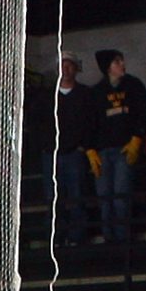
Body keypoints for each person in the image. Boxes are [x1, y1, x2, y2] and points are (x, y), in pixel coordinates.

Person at [89, 49, 146, 245]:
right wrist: (91, 150)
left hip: (124, 149)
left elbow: (142, 114)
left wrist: (137, 139)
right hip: (103, 151)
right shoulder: (96, 92)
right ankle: (109, 239)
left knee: (121, 196)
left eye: (122, 60)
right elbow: (91, 123)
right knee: (105, 198)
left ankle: (123, 239)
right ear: (107, 67)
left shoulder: (134, 85)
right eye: (116, 62)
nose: (122, 64)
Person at [51, 54, 97, 248]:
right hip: (53, 154)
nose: (66, 69)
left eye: (70, 65)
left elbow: (91, 122)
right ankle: (57, 238)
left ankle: (77, 237)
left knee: (78, 195)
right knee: (54, 199)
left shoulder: (86, 94)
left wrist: (83, 146)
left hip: (76, 153)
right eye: (62, 65)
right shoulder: (48, 95)